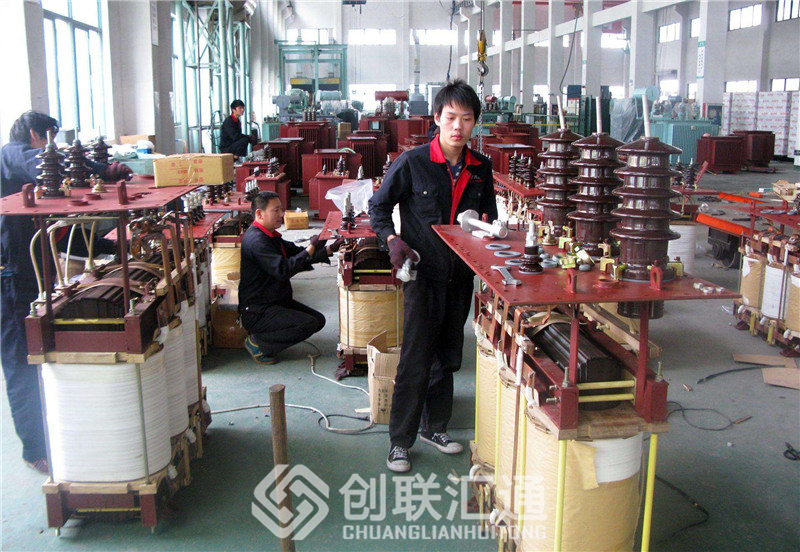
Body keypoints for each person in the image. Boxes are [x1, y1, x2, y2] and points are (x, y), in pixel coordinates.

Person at [369, 79, 497, 473]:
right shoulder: (414, 162)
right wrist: (392, 240)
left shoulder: (481, 168)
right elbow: (378, 207)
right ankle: (399, 441)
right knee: (416, 358)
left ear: (475, 122)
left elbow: (488, 218)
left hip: (459, 278)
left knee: (447, 357)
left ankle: (435, 427)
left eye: (467, 118)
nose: (458, 126)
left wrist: (490, 240)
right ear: (438, 118)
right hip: (422, 276)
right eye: (451, 117)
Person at [1, 111, 131, 475]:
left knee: (43, 351)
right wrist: (98, 170)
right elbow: (47, 163)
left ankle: (58, 432)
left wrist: (103, 172)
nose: (52, 144)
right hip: (10, 278)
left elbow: (58, 230)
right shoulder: (11, 153)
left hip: (32, 272)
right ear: (34, 133)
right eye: (49, 137)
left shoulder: (28, 169)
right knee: (21, 361)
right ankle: (34, 448)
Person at [238, 191, 343, 364]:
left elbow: (298, 254)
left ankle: (268, 336)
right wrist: (311, 248)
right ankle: (258, 343)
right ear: (259, 213)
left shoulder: (271, 236)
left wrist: (329, 248)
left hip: (275, 301)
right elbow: (284, 270)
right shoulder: (257, 241)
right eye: (276, 210)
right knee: (307, 323)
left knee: (318, 320)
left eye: (281, 209)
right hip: (258, 311)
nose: (281, 214)